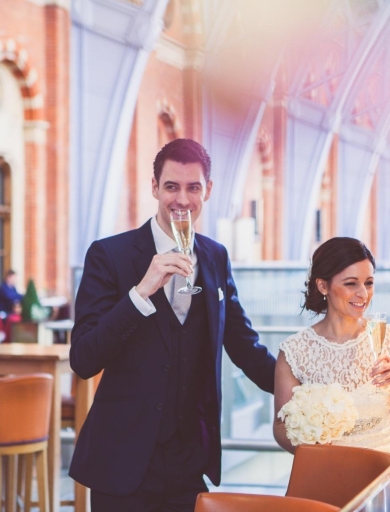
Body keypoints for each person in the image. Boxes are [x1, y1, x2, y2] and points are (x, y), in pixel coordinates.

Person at [69, 138, 276, 512]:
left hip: (189, 460)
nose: (182, 199)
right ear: (154, 187)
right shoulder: (108, 255)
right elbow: (84, 359)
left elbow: (244, 346)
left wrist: (310, 388)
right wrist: (140, 293)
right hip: (122, 462)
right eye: (171, 187)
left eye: (193, 187)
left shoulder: (216, 256)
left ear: (207, 190)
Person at [273, 237, 390, 455]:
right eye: (351, 283)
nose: (363, 294)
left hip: (384, 472)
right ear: (323, 286)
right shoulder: (294, 351)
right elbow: (280, 428)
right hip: (326, 472)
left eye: (369, 282)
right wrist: (311, 446)